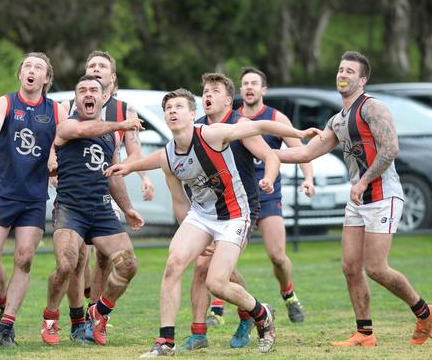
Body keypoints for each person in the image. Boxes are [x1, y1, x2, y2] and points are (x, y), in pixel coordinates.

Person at [105, 88, 323, 356]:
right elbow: (179, 201)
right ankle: (166, 341)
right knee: (173, 263)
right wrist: (128, 167)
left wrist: (298, 134)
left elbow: (260, 125)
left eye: (179, 107)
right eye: (168, 108)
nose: (172, 111)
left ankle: (262, 313)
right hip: (202, 215)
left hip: (235, 214)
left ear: (192, 114)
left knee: (217, 283)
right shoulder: (169, 156)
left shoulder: (211, 134)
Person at [277, 51, 432, 347]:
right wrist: (267, 155)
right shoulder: (337, 120)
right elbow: (307, 152)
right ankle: (364, 333)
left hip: (383, 195)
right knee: (350, 267)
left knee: (376, 268)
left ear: (362, 80)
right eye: (340, 69)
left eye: (350, 71)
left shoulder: (373, 108)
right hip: (359, 199)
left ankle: (425, 313)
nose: (343, 74)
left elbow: (390, 149)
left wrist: (362, 181)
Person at [41, 74, 143, 346]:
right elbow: (85, 131)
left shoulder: (112, 138)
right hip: (70, 209)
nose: (88, 94)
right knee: (66, 264)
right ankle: (50, 317)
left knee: (129, 264)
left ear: (102, 97)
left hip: (100, 210)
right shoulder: (67, 124)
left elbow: (113, 176)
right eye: (82, 90)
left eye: (93, 91)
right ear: (76, 99)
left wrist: (128, 208)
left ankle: (100, 313)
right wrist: (120, 124)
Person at [180, 73, 278, 351]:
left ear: (227, 99)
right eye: (205, 91)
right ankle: (200, 333)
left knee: (209, 268)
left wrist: (268, 178)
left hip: (240, 208)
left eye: (215, 91)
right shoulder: (196, 128)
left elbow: (271, 155)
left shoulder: (239, 124)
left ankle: (251, 314)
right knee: (208, 268)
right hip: (208, 210)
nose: (207, 95)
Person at [61, 51, 154, 340]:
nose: (96, 69)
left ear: (111, 79)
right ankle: (77, 317)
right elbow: (59, 137)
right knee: (75, 258)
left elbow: (133, 151)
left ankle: (94, 313)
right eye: (91, 66)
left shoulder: (126, 111)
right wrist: (53, 165)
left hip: (105, 189)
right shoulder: (68, 106)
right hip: (73, 194)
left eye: (102, 67)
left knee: (106, 258)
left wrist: (142, 175)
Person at [0, 52, 63, 347]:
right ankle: (4, 302)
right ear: (20, 74)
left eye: (38, 67)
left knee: (24, 258)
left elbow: (61, 141)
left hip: (34, 197)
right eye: (27, 65)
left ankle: (6, 327)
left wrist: (54, 159)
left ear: (46, 78)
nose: (31, 70)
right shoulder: (6, 102)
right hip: (2, 191)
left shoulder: (55, 109)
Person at [237, 66, 312, 324]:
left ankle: (289, 295)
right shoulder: (232, 119)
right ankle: (217, 307)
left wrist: (309, 179)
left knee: (278, 256)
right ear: (240, 90)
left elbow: (301, 150)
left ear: (263, 90)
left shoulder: (276, 118)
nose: (249, 87)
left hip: (268, 195)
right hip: (238, 197)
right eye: (245, 83)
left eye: (253, 83)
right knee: (225, 253)